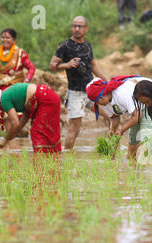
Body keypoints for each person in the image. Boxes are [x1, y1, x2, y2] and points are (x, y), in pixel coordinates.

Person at [49, 16, 107, 150]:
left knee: (111, 117)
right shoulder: (65, 46)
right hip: (75, 93)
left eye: (80, 26)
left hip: (91, 91)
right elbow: (52, 66)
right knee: (74, 129)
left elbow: (93, 65)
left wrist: (107, 82)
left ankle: (110, 150)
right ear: (71, 27)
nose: (77, 29)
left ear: (86, 29)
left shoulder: (88, 46)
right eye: (74, 26)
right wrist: (67, 64)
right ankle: (67, 156)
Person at [86, 75, 152, 160]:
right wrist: (113, 131)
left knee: (146, 137)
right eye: (96, 102)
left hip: (148, 98)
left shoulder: (121, 94)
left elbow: (137, 115)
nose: (98, 104)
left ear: (103, 95)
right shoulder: (103, 102)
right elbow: (114, 117)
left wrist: (121, 130)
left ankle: (147, 168)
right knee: (133, 139)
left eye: (98, 101)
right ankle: (132, 165)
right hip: (136, 110)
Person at [0, 83, 61, 153]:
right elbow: (25, 116)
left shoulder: (3, 99)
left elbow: (15, 123)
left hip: (44, 99)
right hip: (49, 95)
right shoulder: (5, 95)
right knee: (48, 132)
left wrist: (5, 140)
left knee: (37, 133)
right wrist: (13, 133)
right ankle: (52, 160)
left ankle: (41, 164)